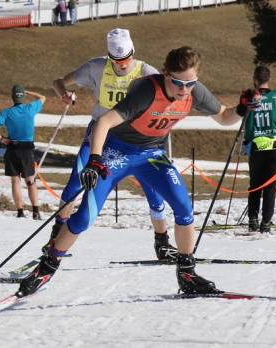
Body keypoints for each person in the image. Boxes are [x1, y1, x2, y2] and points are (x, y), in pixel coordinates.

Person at [17, 46, 244, 297]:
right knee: (85, 217)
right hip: (116, 152)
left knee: (184, 207)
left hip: (151, 155)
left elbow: (225, 117)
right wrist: (94, 160)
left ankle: (187, 273)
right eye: (178, 82)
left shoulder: (193, 91)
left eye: (190, 83)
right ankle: (46, 267)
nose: (184, 90)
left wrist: (243, 108)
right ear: (166, 74)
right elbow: (103, 122)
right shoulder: (147, 92)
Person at [51, 28, 176, 261]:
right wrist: (63, 94)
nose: (122, 65)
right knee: (75, 182)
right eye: (116, 60)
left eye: (126, 58)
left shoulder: (147, 72)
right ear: (109, 57)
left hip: (135, 139)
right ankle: (56, 235)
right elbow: (59, 82)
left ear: (133, 53)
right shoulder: (96, 67)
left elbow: (167, 104)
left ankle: (162, 242)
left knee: (153, 189)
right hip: (100, 134)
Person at [240, 66, 276, 233]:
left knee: (255, 184)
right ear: (269, 78)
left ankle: (253, 219)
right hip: (274, 145)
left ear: (254, 79)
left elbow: (242, 114)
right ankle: (266, 222)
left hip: (256, 144)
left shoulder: (249, 96)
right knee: (270, 185)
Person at [0, 85, 46, 220]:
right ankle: (35, 211)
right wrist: (27, 91)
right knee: (30, 181)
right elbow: (42, 97)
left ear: (12, 97)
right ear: (23, 96)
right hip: (27, 149)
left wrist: (2, 139)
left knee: (15, 181)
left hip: (12, 148)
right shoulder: (30, 108)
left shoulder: (6, 113)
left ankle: (20, 212)